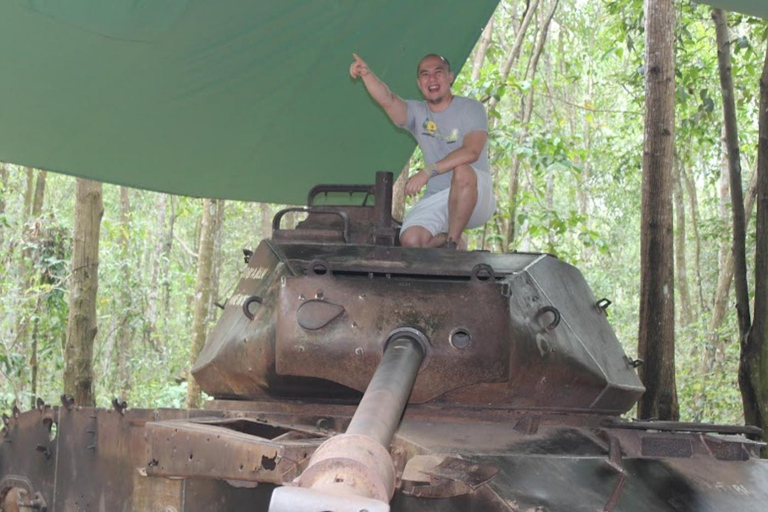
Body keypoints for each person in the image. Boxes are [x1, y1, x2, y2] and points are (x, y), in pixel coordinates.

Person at [349, 53, 495, 249]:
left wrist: (428, 171)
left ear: (450, 77)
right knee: (411, 240)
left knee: (462, 171)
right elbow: (388, 100)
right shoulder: (417, 113)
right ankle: (454, 240)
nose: (432, 79)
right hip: (439, 196)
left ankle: (452, 245)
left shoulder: (471, 108)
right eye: (425, 74)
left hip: (475, 196)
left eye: (438, 72)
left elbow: (471, 152)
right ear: (419, 83)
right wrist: (366, 75)